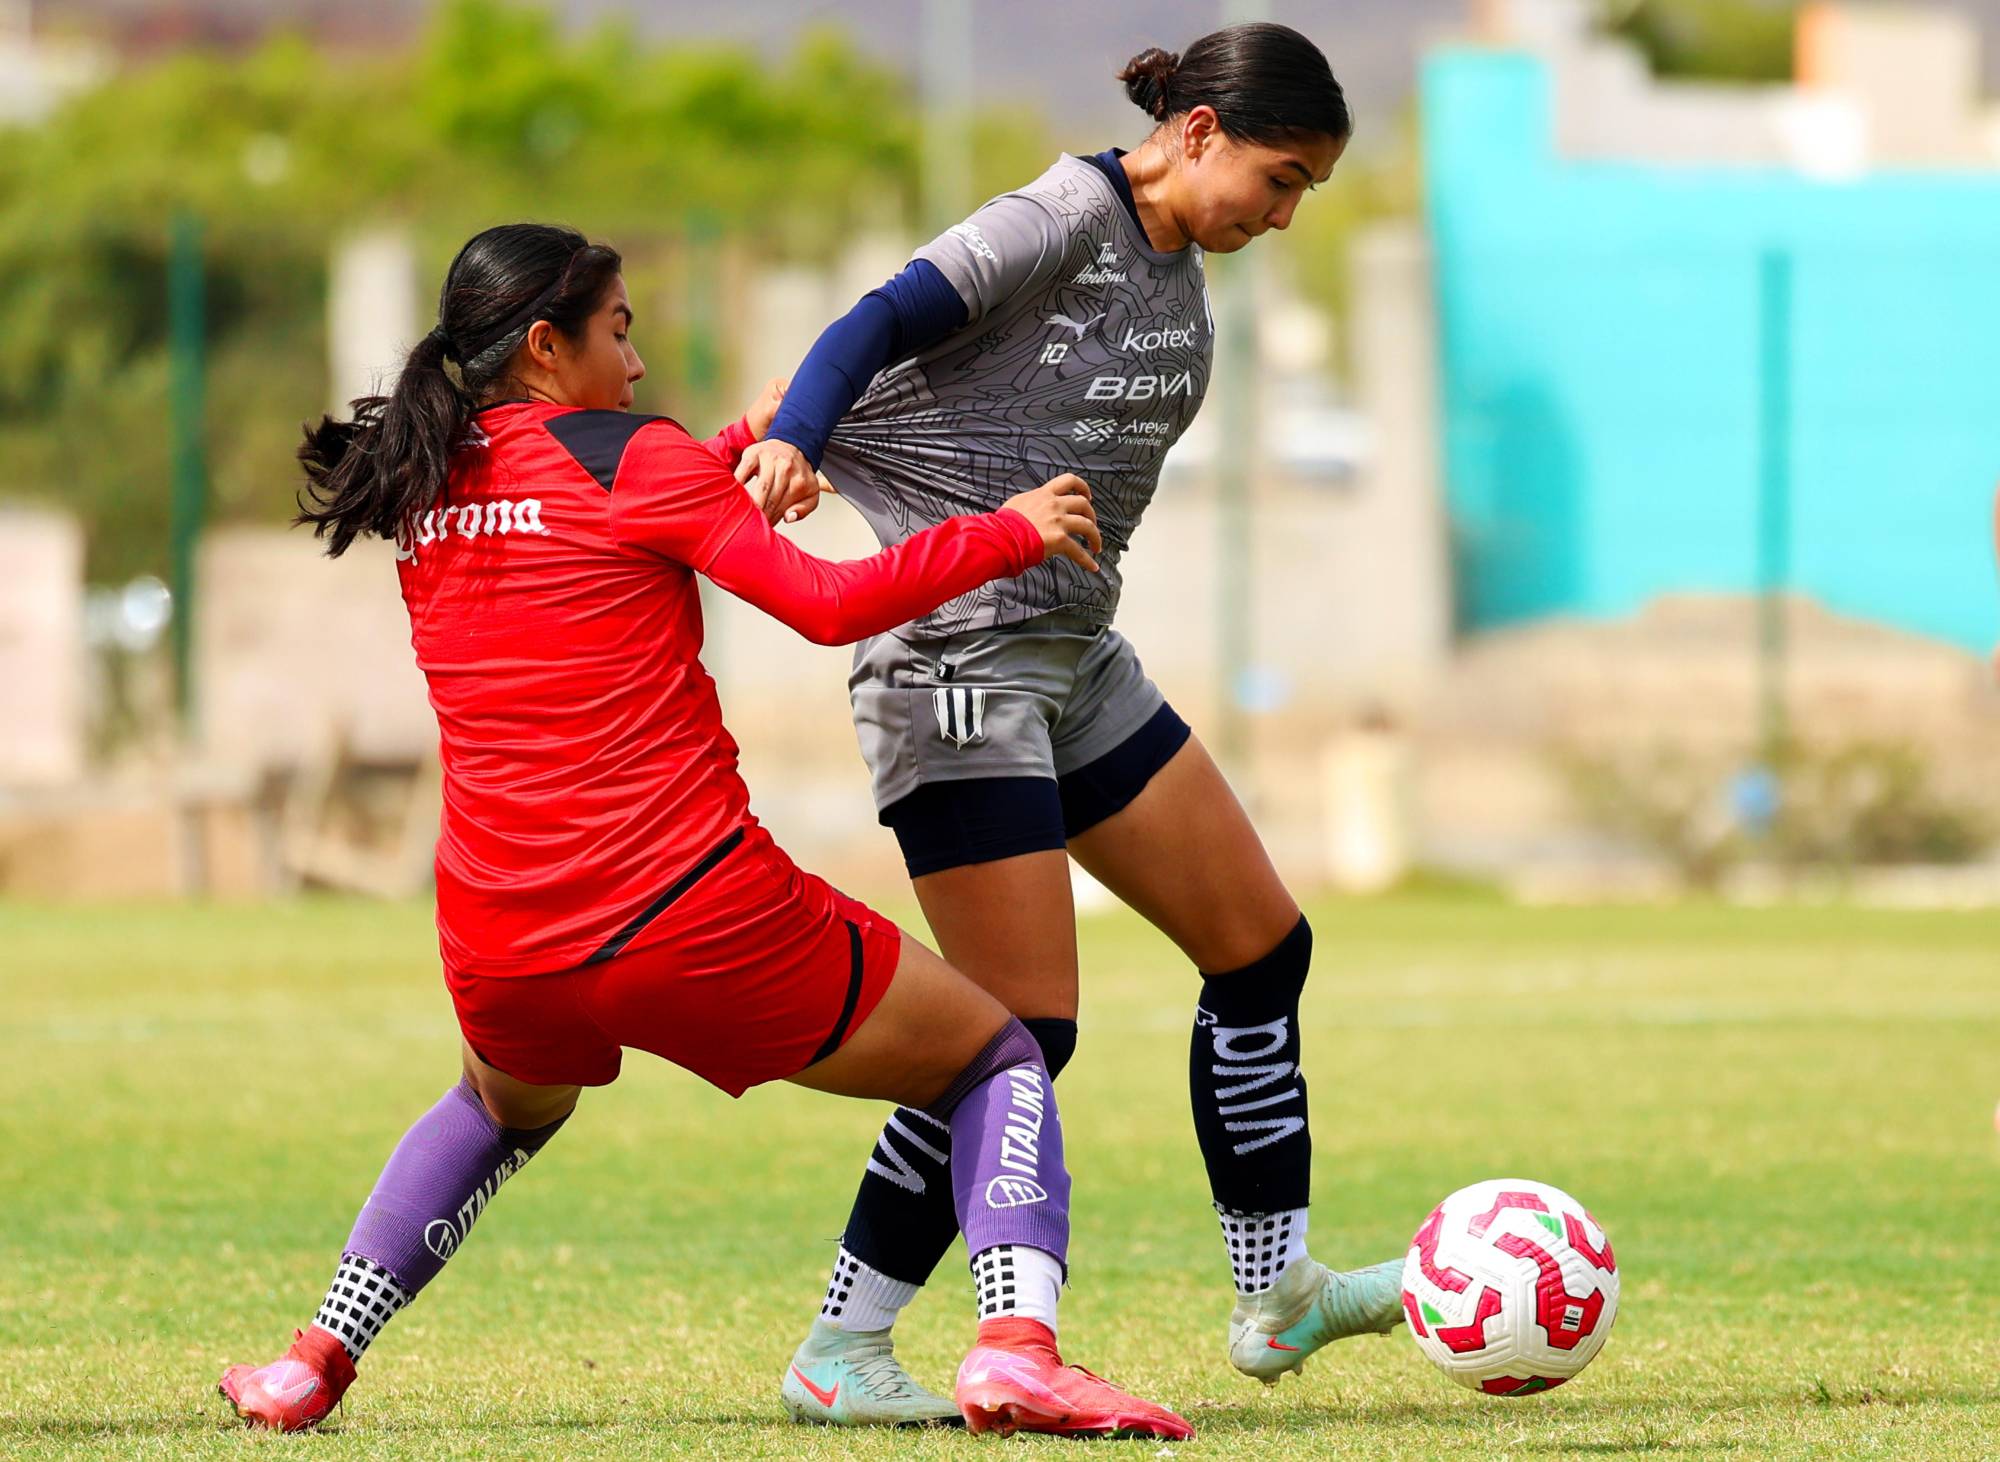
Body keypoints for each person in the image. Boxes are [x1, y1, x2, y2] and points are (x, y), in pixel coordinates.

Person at [213, 222, 1191, 1442]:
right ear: (542, 342)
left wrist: (730, 442)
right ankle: (1014, 1348)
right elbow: (826, 604)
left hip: (496, 932)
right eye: (617, 333)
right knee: (1000, 1055)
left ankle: (311, 1360)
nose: (633, 366)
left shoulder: (425, 477)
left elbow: (594, 510)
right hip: (688, 912)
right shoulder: (638, 459)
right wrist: (1007, 528)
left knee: (495, 1108)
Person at [736, 26, 1406, 1426]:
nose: (1282, 218)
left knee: (1261, 949)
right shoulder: (1062, 216)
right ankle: (842, 1345)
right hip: (955, 668)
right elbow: (878, 319)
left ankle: (1274, 1294)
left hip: (1077, 659)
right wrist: (799, 432)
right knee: (1017, 1030)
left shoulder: (1179, 262)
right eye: (1279, 181)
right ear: (1202, 131)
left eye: (1306, 198)